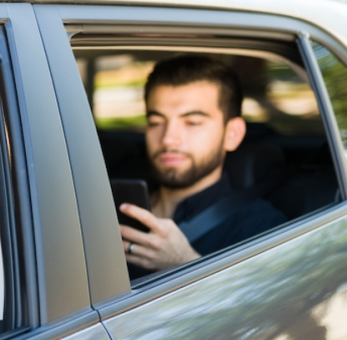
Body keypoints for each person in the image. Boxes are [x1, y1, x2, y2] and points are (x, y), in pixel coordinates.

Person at [118, 55, 286, 274]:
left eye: (192, 123)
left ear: (232, 134)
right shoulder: (114, 204)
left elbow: (267, 307)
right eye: (156, 122)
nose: (168, 138)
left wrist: (184, 263)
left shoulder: (260, 228)